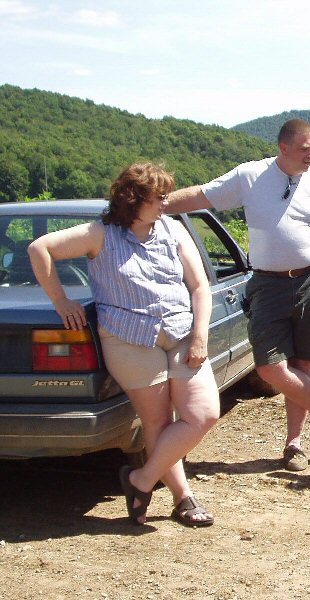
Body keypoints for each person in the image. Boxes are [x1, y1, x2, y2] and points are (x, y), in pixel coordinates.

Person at [28, 162, 219, 527]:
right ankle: (183, 498)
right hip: (129, 339)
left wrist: (199, 335)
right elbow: (40, 249)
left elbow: (198, 286)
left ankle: (140, 480)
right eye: (159, 197)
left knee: (203, 414)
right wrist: (62, 302)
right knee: (158, 421)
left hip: (181, 333)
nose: (166, 202)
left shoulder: (173, 230)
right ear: (133, 200)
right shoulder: (99, 234)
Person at [164, 118, 310, 472]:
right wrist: (156, 204)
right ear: (283, 147)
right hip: (267, 283)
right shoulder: (250, 176)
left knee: (302, 363)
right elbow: (202, 195)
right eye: (304, 148)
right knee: (269, 367)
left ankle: (294, 445)